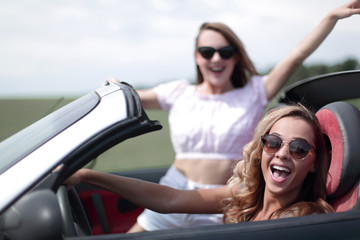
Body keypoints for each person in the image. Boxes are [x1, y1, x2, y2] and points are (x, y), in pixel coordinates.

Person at [106, 0, 360, 232]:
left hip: (223, 203)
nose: (216, 58)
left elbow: (296, 57)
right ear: (197, 56)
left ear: (236, 57)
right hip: (174, 191)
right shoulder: (178, 91)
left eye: (225, 52)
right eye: (207, 51)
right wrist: (115, 87)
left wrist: (331, 18)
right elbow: (126, 98)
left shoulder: (254, 92)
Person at [65, 104, 334, 225]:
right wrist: (88, 175)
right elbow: (170, 200)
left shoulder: (302, 220)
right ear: (262, 148)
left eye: (299, 148)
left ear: (313, 164)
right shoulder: (243, 196)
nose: (283, 153)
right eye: (274, 142)